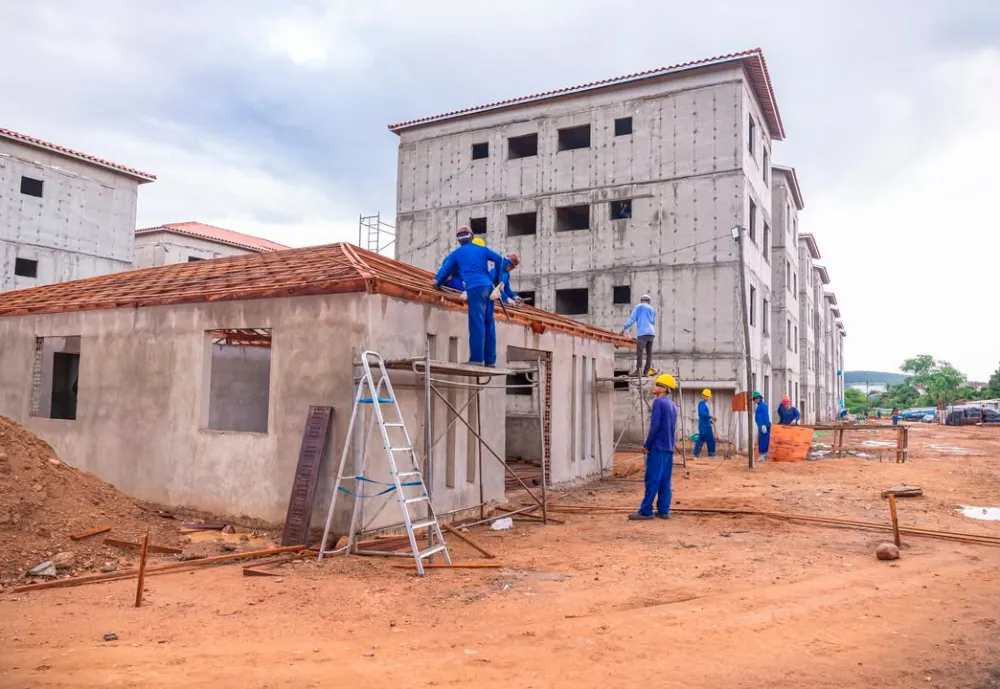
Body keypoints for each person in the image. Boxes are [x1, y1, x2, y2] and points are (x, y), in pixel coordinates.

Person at [434, 226, 504, 367]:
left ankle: (477, 359)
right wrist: (497, 278)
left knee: (477, 323)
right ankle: (490, 361)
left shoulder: (457, 254)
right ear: (471, 236)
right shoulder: (482, 250)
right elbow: (499, 259)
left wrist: (437, 282)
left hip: (475, 288)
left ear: (459, 240)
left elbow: (446, 269)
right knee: (488, 324)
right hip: (489, 288)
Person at [628, 374, 678, 521]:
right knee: (665, 480)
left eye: (657, 384)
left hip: (658, 447)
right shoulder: (673, 405)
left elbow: (654, 427)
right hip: (668, 448)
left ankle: (646, 511)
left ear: (663, 389)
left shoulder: (658, 402)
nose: (654, 387)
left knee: (652, 479)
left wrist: (646, 445)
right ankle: (663, 510)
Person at [620, 294, 656, 377]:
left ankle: (638, 371)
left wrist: (624, 328)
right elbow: (653, 322)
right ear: (649, 301)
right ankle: (646, 372)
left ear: (641, 300)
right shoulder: (652, 309)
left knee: (640, 353)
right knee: (649, 354)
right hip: (651, 334)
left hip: (642, 333)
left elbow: (632, 319)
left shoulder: (639, 307)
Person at [693, 388, 716, 458]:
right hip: (705, 427)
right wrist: (711, 417)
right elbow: (702, 413)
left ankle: (695, 454)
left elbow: (703, 416)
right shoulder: (702, 404)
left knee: (701, 439)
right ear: (704, 396)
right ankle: (711, 455)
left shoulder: (703, 404)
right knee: (711, 440)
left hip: (703, 425)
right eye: (707, 396)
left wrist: (709, 420)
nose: (708, 398)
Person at [752, 391, 771, 462]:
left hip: (764, 426)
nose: (755, 400)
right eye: (754, 399)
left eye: (756, 398)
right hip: (762, 426)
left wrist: (764, 425)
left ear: (760, 398)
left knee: (763, 440)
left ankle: (763, 455)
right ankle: (764, 455)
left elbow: (765, 416)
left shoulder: (762, 405)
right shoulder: (760, 406)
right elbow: (758, 418)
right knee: (763, 440)